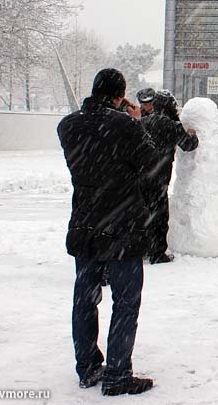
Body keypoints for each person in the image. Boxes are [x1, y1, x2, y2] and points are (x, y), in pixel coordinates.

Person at [57, 68, 157, 396]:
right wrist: (132, 121)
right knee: (126, 301)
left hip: (86, 223)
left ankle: (87, 367)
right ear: (119, 95)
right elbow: (150, 164)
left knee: (85, 300)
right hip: (122, 226)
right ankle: (117, 374)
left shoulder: (68, 125)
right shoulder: (126, 126)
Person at [141, 90, 199, 264]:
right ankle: (157, 253)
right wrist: (193, 135)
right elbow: (188, 145)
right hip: (159, 178)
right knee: (159, 217)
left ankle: (141, 248)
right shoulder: (171, 125)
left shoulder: (142, 122)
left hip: (140, 177)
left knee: (142, 215)